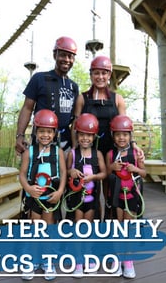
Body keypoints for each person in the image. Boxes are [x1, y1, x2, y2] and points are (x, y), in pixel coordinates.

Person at [72, 55, 143, 219]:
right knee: (91, 186)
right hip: (91, 149)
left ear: (109, 75)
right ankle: (93, 221)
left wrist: (133, 145)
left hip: (112, 149)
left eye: (104, 73)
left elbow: (124, 125)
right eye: (96, 73)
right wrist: (75, 148)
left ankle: (110, 220)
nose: (100, 77)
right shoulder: (83, 98)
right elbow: (75, 126)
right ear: (91, 75)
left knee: (111, 187)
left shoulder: (117, 99)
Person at [19, 109, 66, 281]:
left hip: (51, 198)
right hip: (34, 198)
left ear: (54, 133)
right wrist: (28, 189)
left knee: (48, 230)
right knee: (34, 230)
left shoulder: (58, 152)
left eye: (49, 131)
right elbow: (22, 174)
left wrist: (60, 191)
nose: (45, 135)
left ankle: (48, 261)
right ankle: (32, 260)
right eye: (41, 131)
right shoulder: (29, 152)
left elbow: (63, 172)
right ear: (36, 132)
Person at [15, 36, 79, 155]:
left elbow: (75, 119)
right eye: (63, 55)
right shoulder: (39, 79)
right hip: (41, 140)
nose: (67, 59)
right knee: (40, 172)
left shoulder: (74, 87)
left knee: (64, 173)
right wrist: (20, 135)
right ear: (55, 55)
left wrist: (75, 145)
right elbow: (27, 108)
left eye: (70, 56)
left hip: (65, 143)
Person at [63, 113, 107, 277]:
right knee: (77, 228)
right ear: (77, 135)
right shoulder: (72, 154)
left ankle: (88, 255)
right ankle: (78, 260)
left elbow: (103, 173)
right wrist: (71, 171)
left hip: (91, 199)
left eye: (88, 135)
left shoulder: (98, 154)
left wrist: (93, 177)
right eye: (82, 135)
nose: (85, 138)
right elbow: (67, 171)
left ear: (94, 136)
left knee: (87, 229)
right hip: (76, 200)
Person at [105, 115, 146, 279]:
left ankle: (128, 260)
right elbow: (105, 174)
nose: (121, 138)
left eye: (125, 134)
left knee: (128, 228)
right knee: (117, 227)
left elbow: (144, 173)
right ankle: (117, 257)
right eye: (118, 134)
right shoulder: (110, 153)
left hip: (131, 196)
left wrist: (134, 169)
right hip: (115, 197)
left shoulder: (136, 153)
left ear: (130, 135)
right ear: (113, 135)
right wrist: (112, 167)